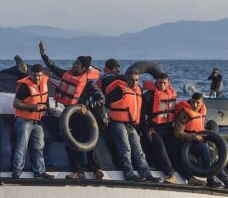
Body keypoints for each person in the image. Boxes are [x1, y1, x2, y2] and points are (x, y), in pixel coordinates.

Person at [39, 41, 105, 180]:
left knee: (90, 143)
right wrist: (43, 55)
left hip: (85, 117)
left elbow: (101, 98)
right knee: (71, 144)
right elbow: (52, 67)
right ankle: (78, 171)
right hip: (70, 117)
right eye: (75, 62)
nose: (74, 65)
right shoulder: (66, 74)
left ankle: (96, 169)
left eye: (77, 64)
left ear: (84, 68)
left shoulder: (89, 84)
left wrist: (87, 105)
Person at [103, 69, 160, 182]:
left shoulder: (138, 90)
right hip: (118, 123)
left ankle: (146, 174)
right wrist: (106, 117)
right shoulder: (119, 89)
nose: (134, 82)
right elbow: (105, 102)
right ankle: (129, 173)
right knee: (125, 149)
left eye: (137, 80)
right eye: (132, 80)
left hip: (131, 125)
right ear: (126, 79)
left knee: (139, 151)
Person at [173, 91, 228, 187]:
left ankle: (213, 178)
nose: (194, 105)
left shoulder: (202, 111)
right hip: (184, 142)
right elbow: (177, 133)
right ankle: (210, 177)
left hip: (196, 140)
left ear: (202, 103)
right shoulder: (184, 114)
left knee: (208, 148)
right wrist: (194, 137)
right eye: (193, 102)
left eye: (197, 103)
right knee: (204, 148)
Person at [12, 64, 54, 180]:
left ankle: (39, 172)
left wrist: (48, 110)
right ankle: (17, 171)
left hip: (37, 121)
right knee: (21, 146)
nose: (36, 78)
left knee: (39, 146)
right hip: (24, 121)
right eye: (34, 76)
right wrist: (33, 107)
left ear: (43, 74)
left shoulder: (44, 83)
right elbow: (16, 104)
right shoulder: (24, 87)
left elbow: (44, 99)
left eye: (39, 76)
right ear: (30, 74)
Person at [139, 72, 181, 184]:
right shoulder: (148, 97)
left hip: (167, 128)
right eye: (160, 83)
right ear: (156, 83)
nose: (162, 85)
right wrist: (148, 129)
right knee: (160, 145)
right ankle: (170, 174)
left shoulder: (171, 95)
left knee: (174, 148)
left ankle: (188, 176)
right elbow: (141, 116)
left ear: (168, 83)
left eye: (164, 83)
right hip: (154, 128)